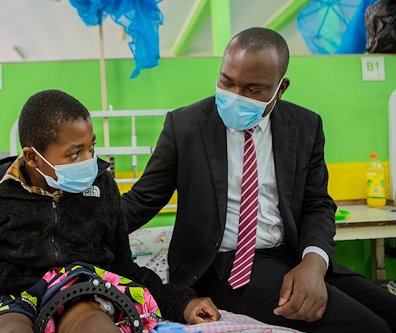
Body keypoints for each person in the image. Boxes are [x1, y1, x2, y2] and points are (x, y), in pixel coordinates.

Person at [121, 27, 396, 333]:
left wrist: (313, 264)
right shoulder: (186, 126)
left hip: (291, 254)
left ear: (280, 89)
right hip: (226, 264)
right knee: (368, 327)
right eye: (227, 82)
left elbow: (317, 204)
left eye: (253, 90)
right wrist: (80, 225)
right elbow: (142, 200)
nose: (235, 96)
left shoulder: (305, 126)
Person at [0, 89, 220, 333]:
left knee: (93, 324)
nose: (88, 161)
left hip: (83, 289)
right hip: (12, 295)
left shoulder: (101, 187)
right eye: (74, 153)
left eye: (91, 147)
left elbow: (124, 266)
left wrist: (182, 302)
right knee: (8, 328)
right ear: (33, 158)